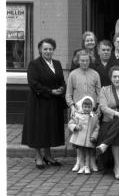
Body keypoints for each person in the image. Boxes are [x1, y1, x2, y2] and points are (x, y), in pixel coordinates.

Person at [21, 38, 66, 169]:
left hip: (53, 102)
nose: (48, 51)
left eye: (50, 49)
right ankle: (38, 156)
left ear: (54, 50)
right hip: (39, 102)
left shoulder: (57, 63)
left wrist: (62, 89)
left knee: (49, 129)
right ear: (40, 50)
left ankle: (48, 155)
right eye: (45, 49)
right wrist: (51, 91)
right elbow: (33, 84)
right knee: (39, 129)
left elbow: (61, 80)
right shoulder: (34, 64)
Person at [65, 49, 101, 172]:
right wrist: (72, 107)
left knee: (91, 135)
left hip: (92, 111)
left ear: (90, 61)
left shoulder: (95, 74)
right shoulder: (73, 74)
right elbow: (68, 94)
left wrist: (99, 107)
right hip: (78, 112)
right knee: (78, 137)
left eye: (87, 60)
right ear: (78, 61)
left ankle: (91, 161)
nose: (84, 63)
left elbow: (99, 92)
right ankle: (78, 161)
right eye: (82, 61)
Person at [68, 96, 100, 174]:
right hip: (79, 139)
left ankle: (87, 167)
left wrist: (94, 136)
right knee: (81, 153)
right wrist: (75, 126)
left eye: (89, 107)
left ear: (92, 107)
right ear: (82, 106)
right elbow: (70, 123)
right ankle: (81, 167)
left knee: (88, 153)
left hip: (89, 139)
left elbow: (97, 127)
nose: (86, 109)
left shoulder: (94, 116)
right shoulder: (77, 115)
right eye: (85, 107)